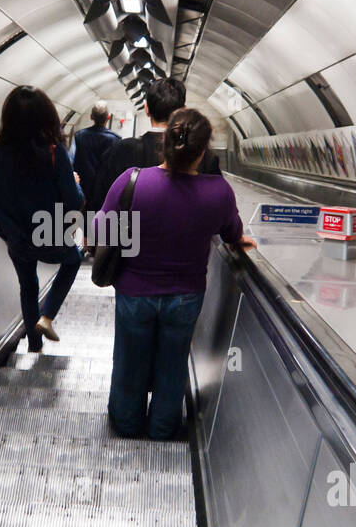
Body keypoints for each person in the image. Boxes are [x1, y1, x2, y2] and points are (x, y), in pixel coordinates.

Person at [95, 108, 256, 440]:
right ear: (203, 151)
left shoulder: (131, 181)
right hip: (185, 295)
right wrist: (240, 240)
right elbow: (232, 233)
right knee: (173, 364)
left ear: (164, 144)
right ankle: (163, 426)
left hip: (134, 291)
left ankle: (126, 422)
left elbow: (100, 230)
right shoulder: (219, 192)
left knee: (129, 359)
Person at [0, 85, 83, 352]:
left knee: (28, 286)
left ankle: (34, 346)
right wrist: (76, 183)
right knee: (73, 260)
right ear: (47, 117)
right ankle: (47, 316)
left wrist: (8, 235)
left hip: (17, 235)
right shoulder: (54, 151)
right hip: (50, 231)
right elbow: (74, 201)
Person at [86, 76, 221, 213]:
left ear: (146, 109)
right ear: (183, 111)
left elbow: (100, 203)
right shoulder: (203, 156)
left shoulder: (121, 151)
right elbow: (220, 210)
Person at [72, 101, 120, 197]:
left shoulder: (79, 136)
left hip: (83, 187)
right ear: (108, 117)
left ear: (91, 117)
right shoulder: (115, 139)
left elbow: (72, 161)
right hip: (103, 190)